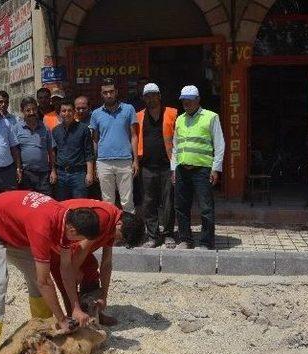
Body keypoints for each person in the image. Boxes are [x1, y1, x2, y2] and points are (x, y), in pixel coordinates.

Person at [0, 190, 99, 354]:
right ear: (72, 231)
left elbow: (65, 269)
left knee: (34, 276)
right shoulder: (43, 226)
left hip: (13, 232)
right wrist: (63, 319)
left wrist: (75, 308)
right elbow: (45, 281)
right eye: (79, 239)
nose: (79, 244)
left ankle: (42, 330)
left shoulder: (65, 218)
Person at [49, 198, 145, 326]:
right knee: (67, 283)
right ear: (120, 224)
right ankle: (74, 318)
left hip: (73, 246)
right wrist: (73, 273)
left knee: (90, 268)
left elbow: (106, 264)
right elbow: (81, 250)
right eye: (121, 239)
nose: (118, 242)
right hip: (56, 242)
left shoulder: (113, 224)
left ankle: (94, 314)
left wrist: (103, 296)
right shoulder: (103, 218)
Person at [172, 85, 225, 250]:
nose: (186, 103)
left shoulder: (211, 117)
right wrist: (173, 168)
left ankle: (206, 242)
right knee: (181, 207)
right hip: (182, 169)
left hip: (202, 170)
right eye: (183, 100)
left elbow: (220, 144)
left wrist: (216, 168)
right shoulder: (180, 119)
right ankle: (185, 240)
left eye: (189, 100)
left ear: (197, 100)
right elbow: (175, 146)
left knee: (206, 208)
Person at [136, 83, 177, 248]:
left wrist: (176, 164)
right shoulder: (138, 116)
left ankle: (168, 234)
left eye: (153, 94)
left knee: (169, 201)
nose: (150, 98)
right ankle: (153, 235)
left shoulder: (172, 113)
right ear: (144, 98)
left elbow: (179, 139)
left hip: (167, 165)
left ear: (159, 95)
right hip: (146, 166)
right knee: (148, 201)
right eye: (147, 95)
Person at [90, 77, 139, 213]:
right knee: (107, 201)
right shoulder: (96, 114)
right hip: (103, 162)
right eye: (105, 92)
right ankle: (110, 232)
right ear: (101, 94)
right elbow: (95, 140)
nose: (108, 95)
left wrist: (135, 160)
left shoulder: (128, 109)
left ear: (116, 92)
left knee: (127, 200)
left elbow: (134, 136)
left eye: (111, 91)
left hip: (124, 160)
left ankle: (129, 232)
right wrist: (94, 163)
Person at [53, 99, 95, 201]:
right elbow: (53, 153)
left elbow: (89, 152)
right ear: (59, 113)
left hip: (78, 174)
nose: (66, 113)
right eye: (64, 111)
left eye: (69, 110)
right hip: (61, 174)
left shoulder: (83, 129)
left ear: (74, 112)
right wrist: (53, 171)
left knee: (80, 205)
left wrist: (89, 173)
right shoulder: (55, 131)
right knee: (62, 206)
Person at [13, 97, 56, 195]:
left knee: (45, 202)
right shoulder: (16, 129)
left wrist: (53, 170)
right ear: (22, 111)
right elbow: (15, 151)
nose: (32, 112)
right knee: (28, 202)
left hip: (44, 174)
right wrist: (18, 169)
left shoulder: (45, 129)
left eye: (34, 109)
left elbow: (51, 151)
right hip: (26, 174)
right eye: (28, 110)